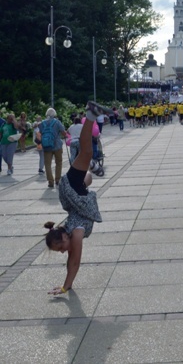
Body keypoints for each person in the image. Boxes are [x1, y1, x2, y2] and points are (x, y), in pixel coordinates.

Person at [44, 101, 111, 296]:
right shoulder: (69, 233)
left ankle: (90, 114)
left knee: (86, 151)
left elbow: (74, 260)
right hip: (77, 194)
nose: (63, 251)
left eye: (61, 247)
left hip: (71, 190)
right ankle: (91, 169)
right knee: (86, 181)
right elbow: (70, 258)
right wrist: (67, 283)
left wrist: (66, 286)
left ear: (64, 236)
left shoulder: (77, 233)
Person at [41, 108, 67, 188]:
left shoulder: (43, 123)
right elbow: (63, 132)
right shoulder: (57, 122)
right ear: (54, 114)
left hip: (46, 146)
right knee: (58, 162)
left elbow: (40, 133)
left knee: (47, 164)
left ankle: (50, 181)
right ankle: (57, 179)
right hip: (57, 146)